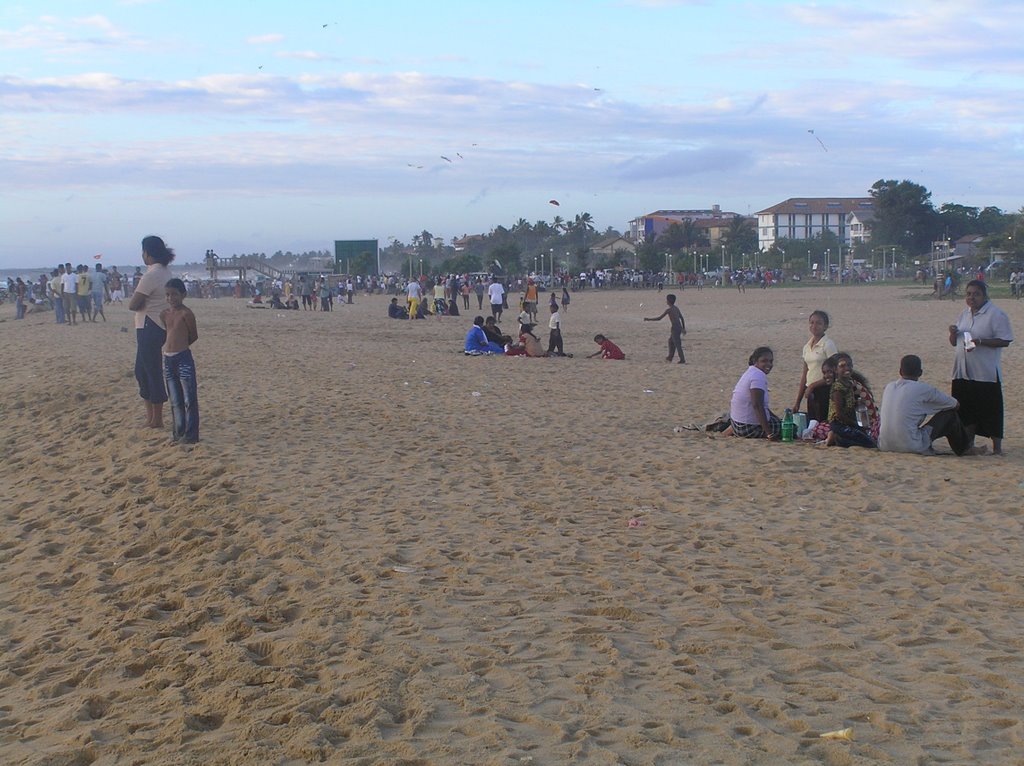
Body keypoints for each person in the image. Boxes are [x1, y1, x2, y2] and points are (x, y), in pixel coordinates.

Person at [948, 279, 1014, 454]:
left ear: (984, 295)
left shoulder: (995, 314)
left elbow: (1005, 340)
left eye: (976, 294)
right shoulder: (964, 314)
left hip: (985, 372)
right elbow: (955, 342)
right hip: (963, 371)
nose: (972, 297)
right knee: (966, 410)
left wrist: (981, 341)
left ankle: (997, 449)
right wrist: (952, 333)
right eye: (969, 294)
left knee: (991, 409)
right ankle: (969, 445)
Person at [879, 355, 976, 455]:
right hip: (911, 445)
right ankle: (965, 449)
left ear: (900, 371)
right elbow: (955, 404)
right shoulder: (923, 389)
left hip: (884, 445)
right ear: (920, 372)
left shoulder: (889, 387)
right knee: (950, 415)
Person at [129, 235, 175, 429]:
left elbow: (134, 304)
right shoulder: (165, 272)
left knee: (150, 371)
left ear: (147, 253)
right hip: (158, 325)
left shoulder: (151, 275)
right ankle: (151, 417)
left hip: (149, 324)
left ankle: (156, 418)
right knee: (143, 370)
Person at [160, 278, 199, 443]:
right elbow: (167, 332)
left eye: (174, 295)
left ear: (183, 295)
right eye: (168, 295)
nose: (171, 298)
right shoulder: (165, 314)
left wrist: (181, 346)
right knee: (175, 399)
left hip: (183, 357)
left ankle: (190, 435)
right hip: (168, 359)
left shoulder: (186, 313)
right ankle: (178, 432)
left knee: (189, 398)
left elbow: (193, 335)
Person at [825, 352, 877, 448]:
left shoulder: (849, 384)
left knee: (866, 438)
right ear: (835, 370)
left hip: (847, 422)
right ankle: (836, 439)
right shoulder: (838, 388)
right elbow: (839, 414)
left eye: (849, 365)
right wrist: (856, 425)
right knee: (869, 444)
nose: (847, 368)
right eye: (842, 366)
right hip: (838, 424)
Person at [727, 347, 781, 439]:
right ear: (755, 361)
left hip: (736, 424)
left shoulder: (750, 372)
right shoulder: (758, 376)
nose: (769, 364)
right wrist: (769, 433)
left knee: (779, 421)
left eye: (771, 361)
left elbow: (762, 406)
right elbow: (757, 405)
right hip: (747, 428)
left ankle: (728, 432)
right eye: (764, 361)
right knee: (791, 428)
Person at [793, 309, 838, 412]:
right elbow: (805, 374)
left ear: (825, 326)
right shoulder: (807, 347)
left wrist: (813, 386)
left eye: (819, 323)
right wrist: (797, 402)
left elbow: (834, 372)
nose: (814, 326)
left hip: (825, 389)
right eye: (812, 323)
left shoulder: (828, 344)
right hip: (811, 392)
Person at [644, 293, 686, 363]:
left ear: (668, 301)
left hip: (675, 328)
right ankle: (670, 357)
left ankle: (682, 359)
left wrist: (648, 319)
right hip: (678, 327)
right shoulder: (676, 308)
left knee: (677, 344)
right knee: (671, 341)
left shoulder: (669, 310)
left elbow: (659, 318)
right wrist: (683, 328)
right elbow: (681, 318)